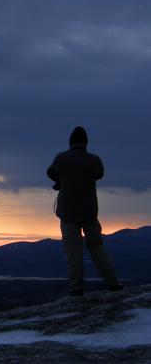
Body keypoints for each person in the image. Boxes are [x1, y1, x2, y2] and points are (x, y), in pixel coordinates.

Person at [47, 126, 122, 296]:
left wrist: (62, 181)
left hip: (67, 212)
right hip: (89, 211)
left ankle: (76, 287)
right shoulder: (94, 160)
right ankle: (113, 283)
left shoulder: (62, 158)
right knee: (97, 247)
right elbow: (99, 174)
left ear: (70, 142)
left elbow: (50, 172)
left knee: (73, 250)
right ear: (86, 143)